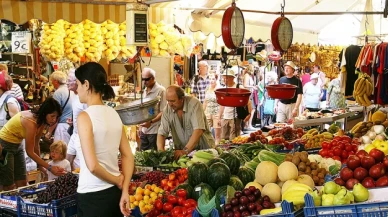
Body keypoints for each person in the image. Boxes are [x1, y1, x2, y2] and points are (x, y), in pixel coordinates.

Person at [75, 62, 133, 217]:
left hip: (92, 197)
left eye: (78, 84)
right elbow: (128, 155)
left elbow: (93, 166)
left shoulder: (84, 117)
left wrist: (117, 180)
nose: (76, 90)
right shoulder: (113, 113)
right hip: (115, 195)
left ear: (86, 84)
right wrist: (124, 189)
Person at [0, 97, 65, 190]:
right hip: (4, 145)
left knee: (22, 182)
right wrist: (50, 167)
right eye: (52, 116)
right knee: (8, 184)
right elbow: (30, 152)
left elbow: (36, 145)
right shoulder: (30, 122)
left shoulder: (41, 121)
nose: (54, 120)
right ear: (45, 113)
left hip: (18, 144)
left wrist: (41, 166)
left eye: (56, 117)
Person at [157, 85, 215, 159]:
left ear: (182, 99)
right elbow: (161, 133)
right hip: (183, 154)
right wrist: (161, 151)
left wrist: (185, 151)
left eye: (173, 101)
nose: (170, 104)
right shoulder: (167, 110)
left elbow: (198, 130)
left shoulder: (194, 104)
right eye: (168, 101)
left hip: (203, 151)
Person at [219, 69, 252, 140]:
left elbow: (248, 101)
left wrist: (249, 113)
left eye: (226, 78)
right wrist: (219, 117)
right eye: (224, 78)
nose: (225, 80)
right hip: (225, 117)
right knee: (224, 139)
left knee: (234, 139)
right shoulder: (224, 89)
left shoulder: (238, 88)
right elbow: (222, 105)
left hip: (235, 117)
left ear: (232, 78)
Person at [139, 68, 166, 151]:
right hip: (144, 130)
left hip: (155, 130)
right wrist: (140, 128)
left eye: (146, 79)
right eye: (142, 79)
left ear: (152, 78)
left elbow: (163, 111)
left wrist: (150, 122)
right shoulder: (144, 91)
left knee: (153, 156)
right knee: (142, 155)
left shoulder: (161, 90)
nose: (144, 82)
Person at [66, 69, 87, 171]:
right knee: (68, 160)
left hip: (82, 136)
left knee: (80, 165)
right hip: (75, 133)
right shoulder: (75, 96)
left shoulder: (84, 98)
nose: (67, 82)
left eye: (69, 80)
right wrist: (73, 123)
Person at [48, 71, 75, 144]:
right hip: (70, 126)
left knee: (60, 151)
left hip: (62, 127)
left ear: (56, 81)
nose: (52, 83)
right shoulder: (71, 91)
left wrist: (49, 132)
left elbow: (54, 114)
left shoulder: (58, 93)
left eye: (52, 81)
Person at [203, 72, 221, 145]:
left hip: (216, 111)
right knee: (207, 132)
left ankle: (216, 147)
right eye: (210, 79)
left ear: (216, 79)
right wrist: (202, 112)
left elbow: (221, 103)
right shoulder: (207, 88)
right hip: (208, 112)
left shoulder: (219, 89)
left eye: (213, 79)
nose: (211, 81)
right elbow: (205, 101)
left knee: (217, 135)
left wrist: (220, 115)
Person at [243, 65, 257, 130]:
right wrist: (252, 87)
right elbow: (245, 85)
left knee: (251, 109)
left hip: (250, 94)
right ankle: (248, 125)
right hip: (248, 94)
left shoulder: (249, 76)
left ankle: (248, 124)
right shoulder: (247, 75)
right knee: (251, 109)